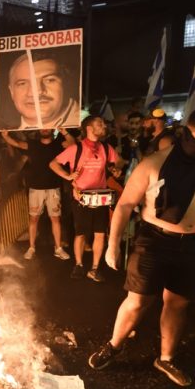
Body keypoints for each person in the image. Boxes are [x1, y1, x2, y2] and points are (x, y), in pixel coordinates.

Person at [88, 107, 195, 387]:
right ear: (186, 134)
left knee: (177, 303)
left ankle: (166, 358)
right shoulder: (154, 163)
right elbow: (125, 204)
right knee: (137, 300)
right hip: (155, 241)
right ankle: (114, 345)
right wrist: (112, 245)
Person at [49, 116, 119, 281]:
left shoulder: (106, 148)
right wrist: (67, 176)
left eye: (103, 123)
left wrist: (115, 169)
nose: (103, 126)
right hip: (81, 197)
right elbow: (53, 163)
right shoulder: (76, 148)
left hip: (101, 197)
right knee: (81, 233)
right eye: (99, 124)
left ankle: (94, 268)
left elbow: (117, 162)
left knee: (100, 234)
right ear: (89, 127)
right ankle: (79, 265)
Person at [3, 130, 72, 260]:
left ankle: (58, 248)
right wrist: (5, 136)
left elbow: (73, 145)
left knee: (55, 219)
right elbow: (17, 143)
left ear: (52, 129)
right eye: (42, 128)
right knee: (33, 219)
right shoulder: (32, 144)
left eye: (47, 127)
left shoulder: (58, 144)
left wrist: (64, 131)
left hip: (54, 188)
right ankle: (31, 247)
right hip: (35, 188)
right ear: (39, 130)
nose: (44, 129)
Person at [3, 49, 80, 130]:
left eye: (49, 80)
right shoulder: (9, 132)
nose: (36, 92)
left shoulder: (85, 124)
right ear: (11, 92)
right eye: (22, 83)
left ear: (65, 84)